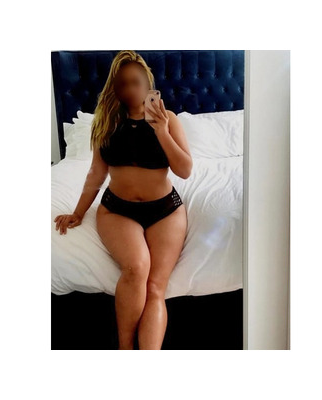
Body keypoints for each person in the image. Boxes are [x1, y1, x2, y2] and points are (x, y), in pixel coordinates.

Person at [53, 50, 192, 350]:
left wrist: (161, 131)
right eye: (123, 83)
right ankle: (124, 350)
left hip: (165, 210)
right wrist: (78, 212)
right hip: (118, 210)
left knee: (155, 287)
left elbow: (185, 170)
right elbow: (96, 173)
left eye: (135, 82)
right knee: (136, 268)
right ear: (114, 87)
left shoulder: (167, 120)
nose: (130, 89)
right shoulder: (106, 123)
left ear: (148, 84)